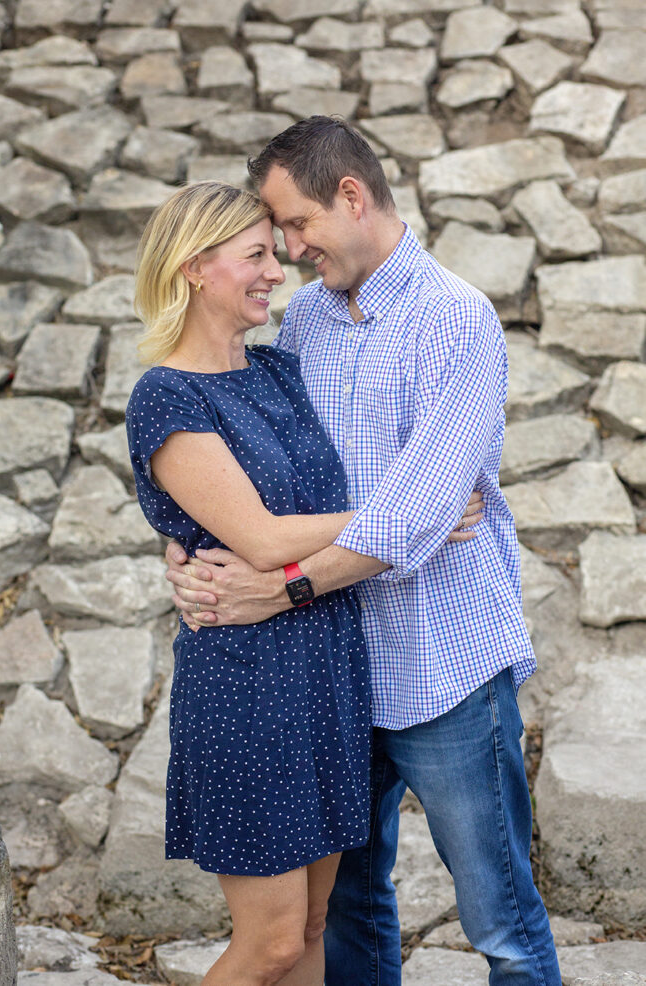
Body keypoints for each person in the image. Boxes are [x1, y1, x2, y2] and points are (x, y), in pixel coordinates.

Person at [165, 117, 562, 985]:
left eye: (296, 227)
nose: (290, 253)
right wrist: (184, 542)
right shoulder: (303, 323)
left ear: (351, 195)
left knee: (499, 918)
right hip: (331, 678)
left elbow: (419, 519)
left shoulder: (456, 319)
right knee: (347, 915)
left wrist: (281, 588)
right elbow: (252, 467)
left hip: (441, 664)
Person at [125, 180, 478, 986]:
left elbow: (303, 509)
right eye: (253, 255)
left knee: (316, 927)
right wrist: (414, 507)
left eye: (272, 252)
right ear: (192, 269)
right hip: (247, 690)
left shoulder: (279, 371)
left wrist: (394, 511)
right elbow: (257, 537)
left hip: (324, 674)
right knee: (272, 944)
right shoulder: (166, 396)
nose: (276, 270)